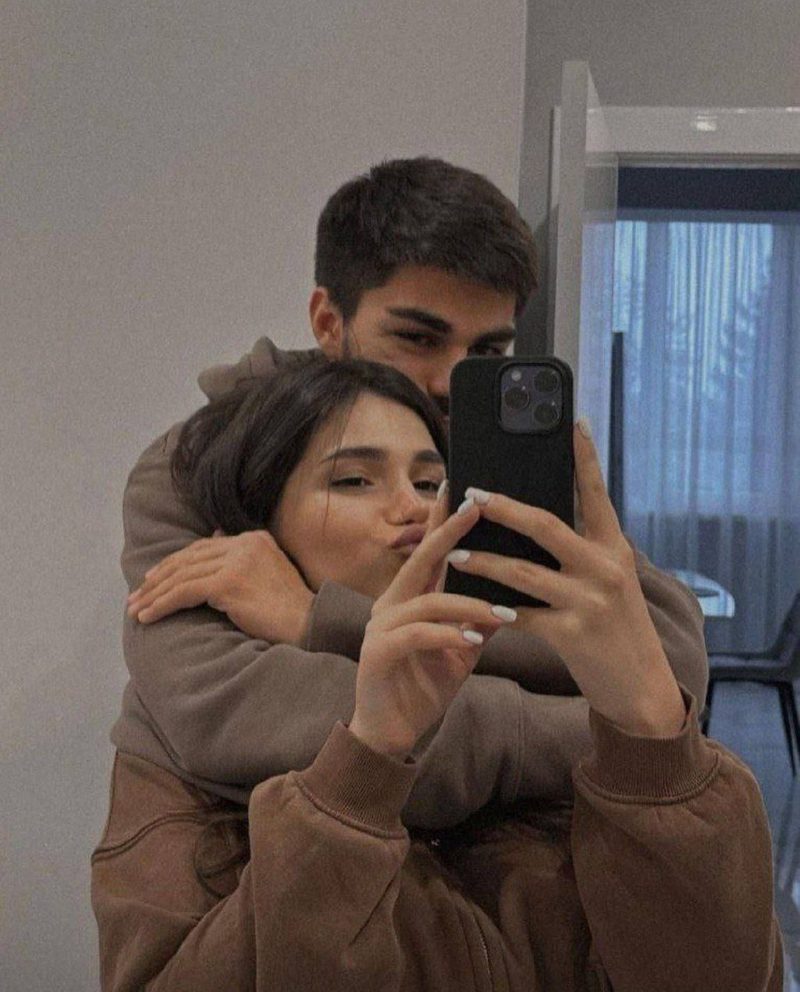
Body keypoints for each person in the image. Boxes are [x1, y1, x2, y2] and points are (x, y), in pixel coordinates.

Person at [91, 358, 783, 991]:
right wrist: (363, 769)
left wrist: (654, 749)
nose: (416, 509)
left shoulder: (577, 701)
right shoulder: (182, 752)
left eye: (431, 483)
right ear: (258, 533)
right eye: (352, 479)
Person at [113, 156, 709, 824]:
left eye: (486, 351)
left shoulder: (502, 459)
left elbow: (668, 668)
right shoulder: (198, 462)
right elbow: (228, 716)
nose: (452, 381)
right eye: (418, 337)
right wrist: (591, 736)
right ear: (328, 320)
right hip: (252, 870)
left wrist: (317, 619)